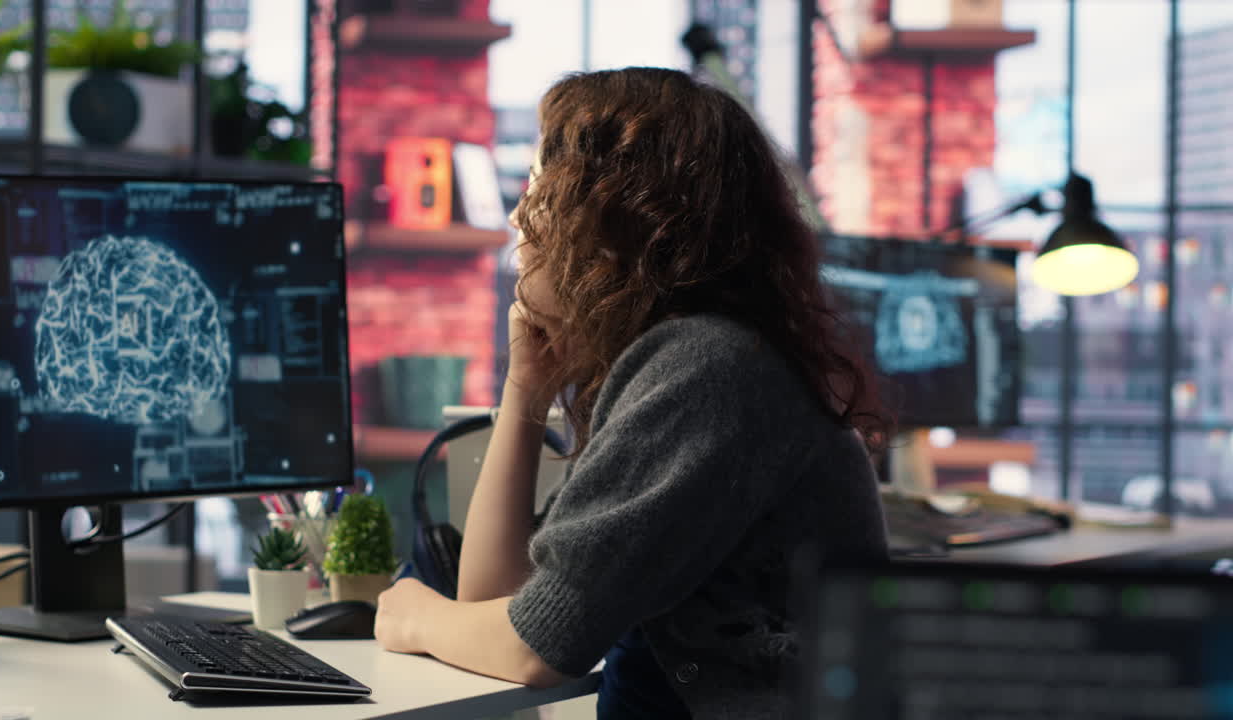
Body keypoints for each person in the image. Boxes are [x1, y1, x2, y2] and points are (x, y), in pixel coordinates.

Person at [372, 67, 889, 719]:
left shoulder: (709, 368)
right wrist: (526, 390)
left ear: (615, 217)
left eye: (537, 190)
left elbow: (537, 648)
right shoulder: (694, 361)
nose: (517, 218)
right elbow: (497, 598)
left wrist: (416, 617)